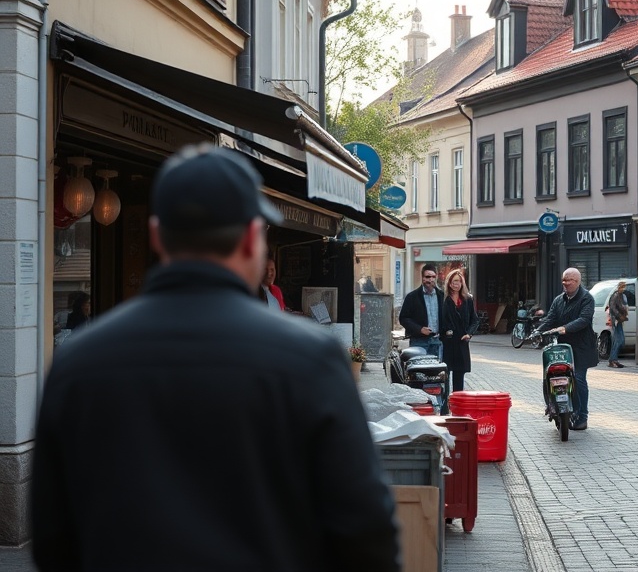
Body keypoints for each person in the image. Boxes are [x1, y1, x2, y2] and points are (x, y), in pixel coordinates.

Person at [32, 144, 399, 571]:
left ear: (156, 236)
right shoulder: (311, 361)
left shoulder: (79, 362)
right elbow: (367, 537)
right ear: (251, 239)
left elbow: (52, 542)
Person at [538, 267, 599, 430]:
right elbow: (550, 318)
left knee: (578, 379)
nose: (565, 283)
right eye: (564, 280)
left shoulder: (587, 298)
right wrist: (538, 331)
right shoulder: (559, 300)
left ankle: (582, 416)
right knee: (551, 375)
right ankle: (553, 405)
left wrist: (565, 328)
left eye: (569, 280)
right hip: (562, 346)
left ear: (577, 281)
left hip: (582, 347)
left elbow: (584, 319)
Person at [441, 268, 479, 392]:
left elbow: (475, 320)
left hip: (461, 342)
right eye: (453, 281)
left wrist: (469, 334)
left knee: (459, 375)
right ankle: (445, 401)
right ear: (449, 283)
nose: (456, 284)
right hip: (447, 342)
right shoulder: (443, 299)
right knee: (444, 374)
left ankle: (457, 400)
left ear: (462, 283)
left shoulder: (467, 299)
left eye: (458, 281)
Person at [398, 263, 445, 360]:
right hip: (418, 341)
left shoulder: (442, 296)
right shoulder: (412, 297)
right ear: (422, 278)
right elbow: (403, 318)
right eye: (427, 277)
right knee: (418, 368)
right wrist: (420, 329)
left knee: (436, 368)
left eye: (433, 277)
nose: (430, 280)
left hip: (437, 341)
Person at [605, 280, 628, 368]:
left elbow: (624, 306)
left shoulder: (622, 296)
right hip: (616, 320)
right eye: (622, 287)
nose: (623, 289)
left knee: (619, 340)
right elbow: (612, 308)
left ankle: (613, 359)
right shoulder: (615, 296)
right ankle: (613, 360)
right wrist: (619, 315)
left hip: (619, 320)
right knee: (619, 340)